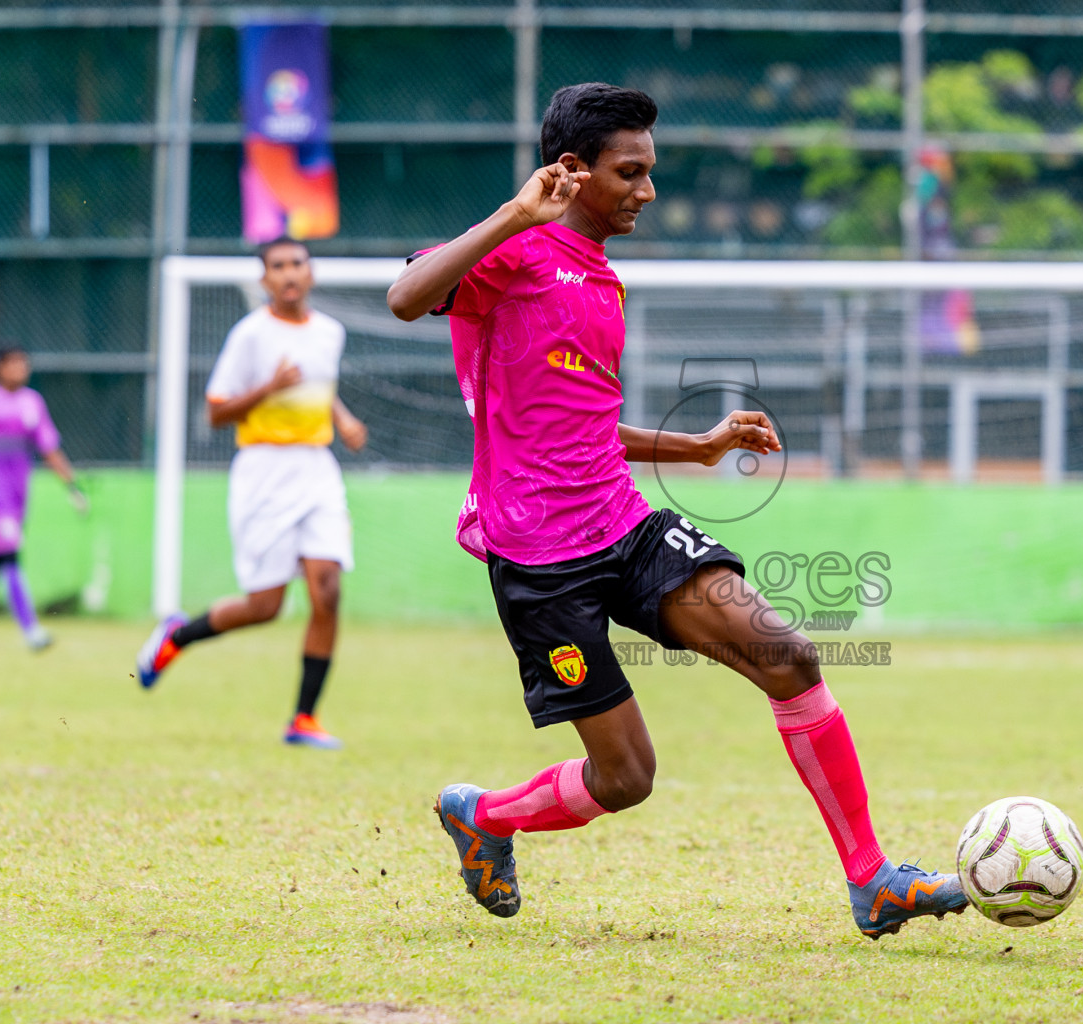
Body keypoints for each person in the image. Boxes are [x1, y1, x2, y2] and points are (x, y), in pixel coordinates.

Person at [387, 82, 966, 938]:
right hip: (540, 560)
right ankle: (487, 816)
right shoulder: (508, 258)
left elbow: (576, 429)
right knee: (625, 779)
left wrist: (690, 449)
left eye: (650, 171)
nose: (647, 191)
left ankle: (872, 878)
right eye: (632, 173)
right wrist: (514, 215)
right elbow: (405, 295)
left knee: (789, 656)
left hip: (625, 526)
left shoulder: (600, 278)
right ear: (573, 172)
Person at [135, 237, 368, 750]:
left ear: (311, 274)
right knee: (265, 606)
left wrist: (344, 420)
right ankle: (177, 636)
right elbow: (215, 412)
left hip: (317, 468)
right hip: (263, 470)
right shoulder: (250, 335)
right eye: (278, 266)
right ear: (264, 279)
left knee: (326, 589)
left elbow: (321, 389)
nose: (289, 274)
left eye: (297, 264)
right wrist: (269, 387)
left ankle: (303, 719)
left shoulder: (331, 332)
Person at [0, 347, 87, 651]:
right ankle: (31, 630)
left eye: (24, 364)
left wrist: (72, 486)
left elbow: (49, 448)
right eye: (14, 364)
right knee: (10, 557)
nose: (20, 369)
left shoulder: (33, 403)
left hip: (19, 491)